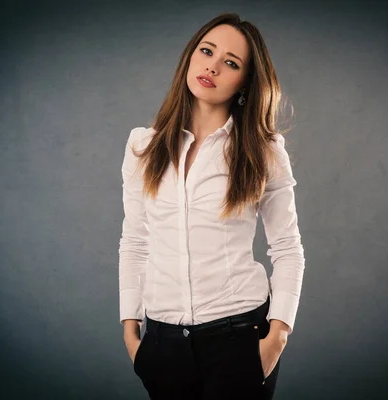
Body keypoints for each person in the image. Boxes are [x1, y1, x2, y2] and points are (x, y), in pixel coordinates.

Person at [118, 12, 305, 400]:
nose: (212, 66)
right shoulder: (143, 147)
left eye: (231, 63)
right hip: (162, 344)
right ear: (191, 55)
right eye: (207, 51)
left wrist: (278, 334)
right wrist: (130, 330)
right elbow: (136, 241)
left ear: (244, 82)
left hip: (239, 340)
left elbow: (288, 249)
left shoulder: (262, 152)